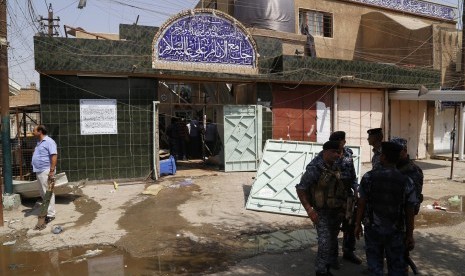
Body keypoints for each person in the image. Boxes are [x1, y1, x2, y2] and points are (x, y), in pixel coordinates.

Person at [355, 142, 417, 276]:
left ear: (383, 157)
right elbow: (410, 210)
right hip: (396, 232)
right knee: (396, 269)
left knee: (375, 267)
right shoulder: (406, 181)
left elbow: (362, 203)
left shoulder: (368, 177)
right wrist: (410, 234)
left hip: (373, 231)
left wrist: (357, 225)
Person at [296, 141, 347, 276]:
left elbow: (341, 188)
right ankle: (321, 271)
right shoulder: (315, 168)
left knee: (331, 241)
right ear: (325, 152)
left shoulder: (336, 166)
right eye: (333, 152)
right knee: (324, 243)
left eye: (338, 152)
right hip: (321, 213)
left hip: (336, 211)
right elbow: (301, 189)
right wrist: (309, 210)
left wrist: (343, 208)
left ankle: (327, 268)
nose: (336, 155)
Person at [328, 131, 362, 265]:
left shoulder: (348, 153)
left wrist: (356, 189)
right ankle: (333, 257)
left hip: (348, 196)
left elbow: (352, 173)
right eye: (343, 140)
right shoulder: (329, 154)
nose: (345, 142)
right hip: (334, 197)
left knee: (350, 225)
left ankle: (348, 252)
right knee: (333, 228)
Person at [32, 125, 58, 227]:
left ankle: (51, 214)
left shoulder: (49, 142)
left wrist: (51, 171)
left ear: (40, 131)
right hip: (39, 170)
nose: (32, 132)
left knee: (48, 193)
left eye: (34, 130)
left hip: (46, 170)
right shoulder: (39, 142)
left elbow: (54, 156)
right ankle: (46, 211)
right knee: (43, 193)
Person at [390, 137, 424, 214]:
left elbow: (413, 200)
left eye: (396, 151)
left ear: (405, 151)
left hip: (404, 214)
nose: (393, 154)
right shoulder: (392, 166)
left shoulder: (413, 170)